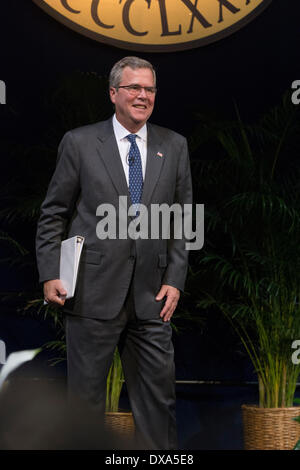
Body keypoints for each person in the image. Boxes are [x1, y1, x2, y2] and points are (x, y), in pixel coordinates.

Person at [36, 56, 192, 450]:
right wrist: (50, 271)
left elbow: (182, 219)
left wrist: (175, 279)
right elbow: (54, 212)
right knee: (85, 406)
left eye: (150, 89)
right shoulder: (80, 142)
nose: (143, 95)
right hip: (91, 292)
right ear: (113, 94)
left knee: (159, 406)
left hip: (153, 298)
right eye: (134, 88)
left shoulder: (174, 145)